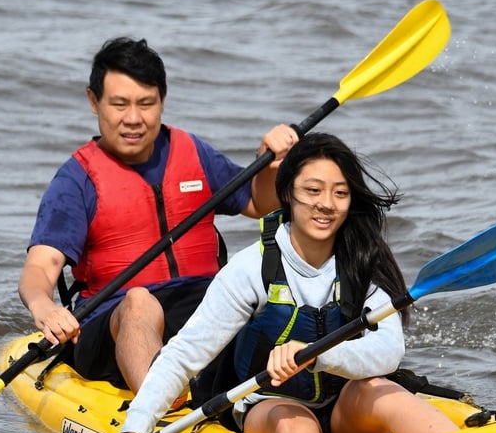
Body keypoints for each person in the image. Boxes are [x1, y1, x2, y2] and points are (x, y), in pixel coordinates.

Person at [108, 132, 459, 433]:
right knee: (292, 425)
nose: (326, 204)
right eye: (312, 190)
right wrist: (135, 426)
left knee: (385, 391)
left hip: (344, 405)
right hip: (269, 406)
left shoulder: (363, 262)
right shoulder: (252, 269)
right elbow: (184, 355)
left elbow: (388, 350)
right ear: (288, 193)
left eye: (340, 193)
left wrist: (318, 355)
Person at [18, 37, 299, 395]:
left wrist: (270, 163)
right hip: (114, 323)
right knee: (139, 302)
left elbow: (259, 205)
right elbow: (40, 267)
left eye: (146, 104)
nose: (133, 119)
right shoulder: (77, 180)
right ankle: (159, 403)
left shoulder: (193, 151)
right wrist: (45, 308)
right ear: (94, 101)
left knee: (263, 297)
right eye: (119, 104)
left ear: (162, 101)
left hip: (199, 308)